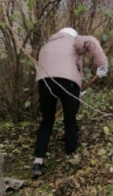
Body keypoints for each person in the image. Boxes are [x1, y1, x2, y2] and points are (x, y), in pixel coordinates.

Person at [32, 26, 108, 178]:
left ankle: (38, 162)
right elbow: (91, 41)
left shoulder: (47, 45)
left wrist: (77, 90)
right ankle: (71, 153)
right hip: (67, 82)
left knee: (46, 121)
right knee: (70, 119)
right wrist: (103, 65)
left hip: (44, 82)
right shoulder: (74, 40)